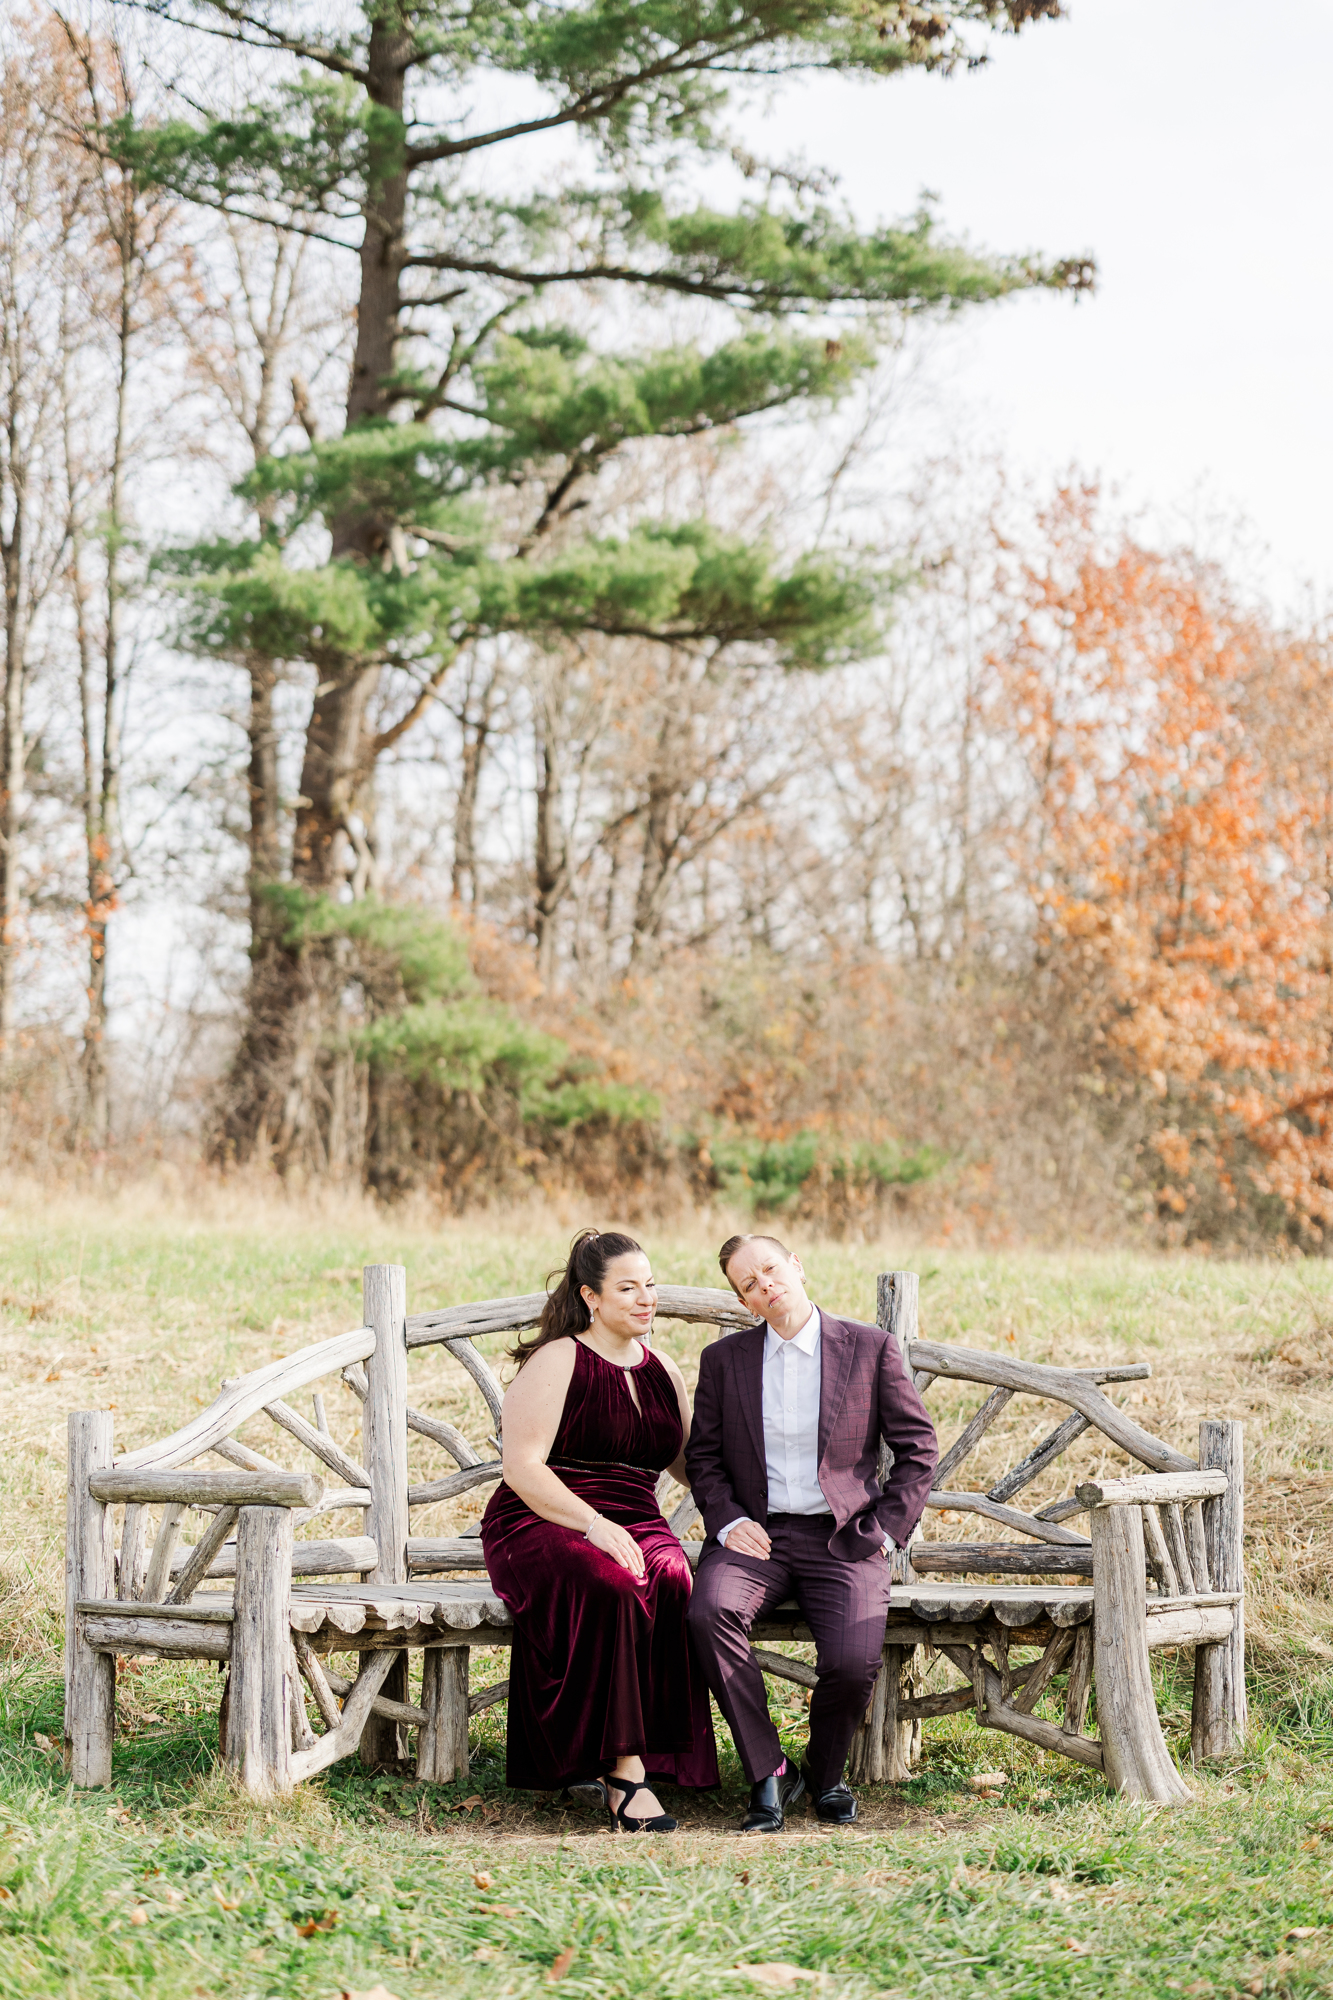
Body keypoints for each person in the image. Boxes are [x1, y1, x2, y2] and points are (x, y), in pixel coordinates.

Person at [685, 1234, 937, 1833]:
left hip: (843, 1538)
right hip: (758, 1537)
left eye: (771, 1269)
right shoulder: (724, 1361)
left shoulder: (869, 1348)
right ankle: (769, 1770)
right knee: (708, 1613)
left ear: (796, 1266)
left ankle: (825, 1775)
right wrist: (730, 1521)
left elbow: (918, 1449)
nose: (765, 1285)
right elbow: (704, 1459)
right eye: (749, 1284)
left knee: (851, 1663)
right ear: (745, 1303)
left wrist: (886, 1532)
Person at [480, 1228, 718, 1829]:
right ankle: (623, 1774)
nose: (646, 1298)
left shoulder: (663, 1369)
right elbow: (521, 1468)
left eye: (650, 1285)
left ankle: (653, 1754)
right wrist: (594, 1526)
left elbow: (689, 1465)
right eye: (628, 1288)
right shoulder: (559, 1359)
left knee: (673, 1580)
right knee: (614, 1585)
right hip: (544, 1515)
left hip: (637, 1513)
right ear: (590, 1296)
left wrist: (751, 1507)